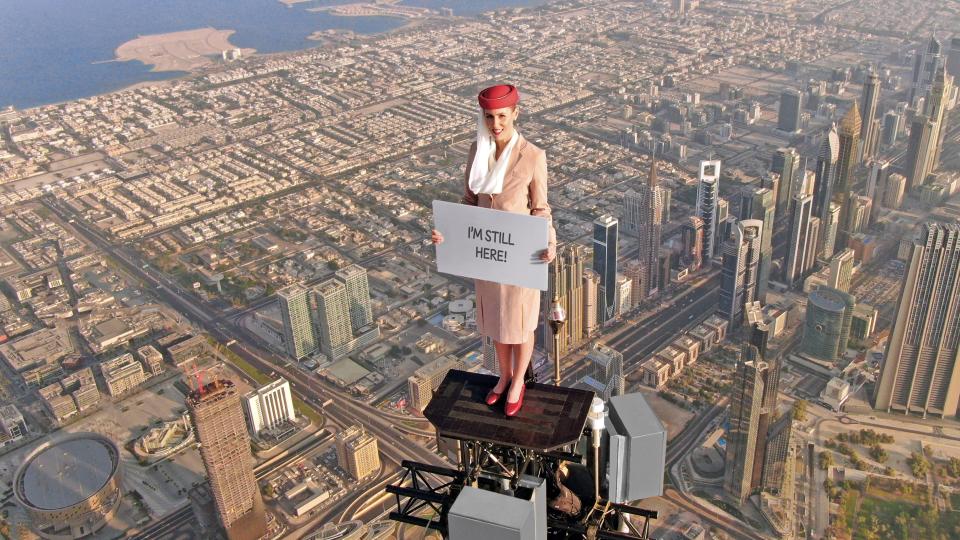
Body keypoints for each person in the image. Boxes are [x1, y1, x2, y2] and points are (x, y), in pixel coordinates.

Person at [432, 84, 556, 416]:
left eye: (502, 115)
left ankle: (518, 383)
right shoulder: (478, 151)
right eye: (489, 116)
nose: (495, 123)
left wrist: (549, 244)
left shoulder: (533, 156)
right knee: (498, 324)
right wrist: (448, 232)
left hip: (520, 254)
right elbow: (468, 202)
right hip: (488, 253)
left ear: (516, 113)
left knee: (521, 323)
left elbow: (541, 209)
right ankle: (503, 377)